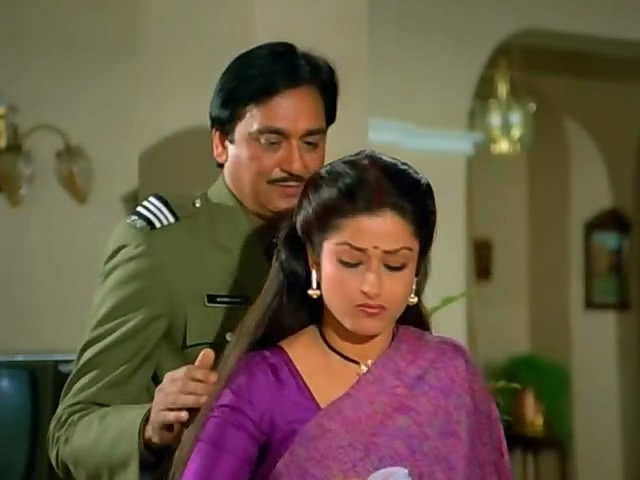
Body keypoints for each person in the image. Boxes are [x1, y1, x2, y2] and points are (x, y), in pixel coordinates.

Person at [47, 41, 338, 480]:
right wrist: (149, 427)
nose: (297, 164)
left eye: (311, 142)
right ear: (221, 143)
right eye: (271, 141)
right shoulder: (160, 248)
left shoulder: (336, 248)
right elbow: (71, 431)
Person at [170, 150, 512, 480]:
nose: (372, 286)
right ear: (314, 260)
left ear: (416, 268)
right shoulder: (260, 386)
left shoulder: (448, 373)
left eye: (395, 265)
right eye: (351, 262)